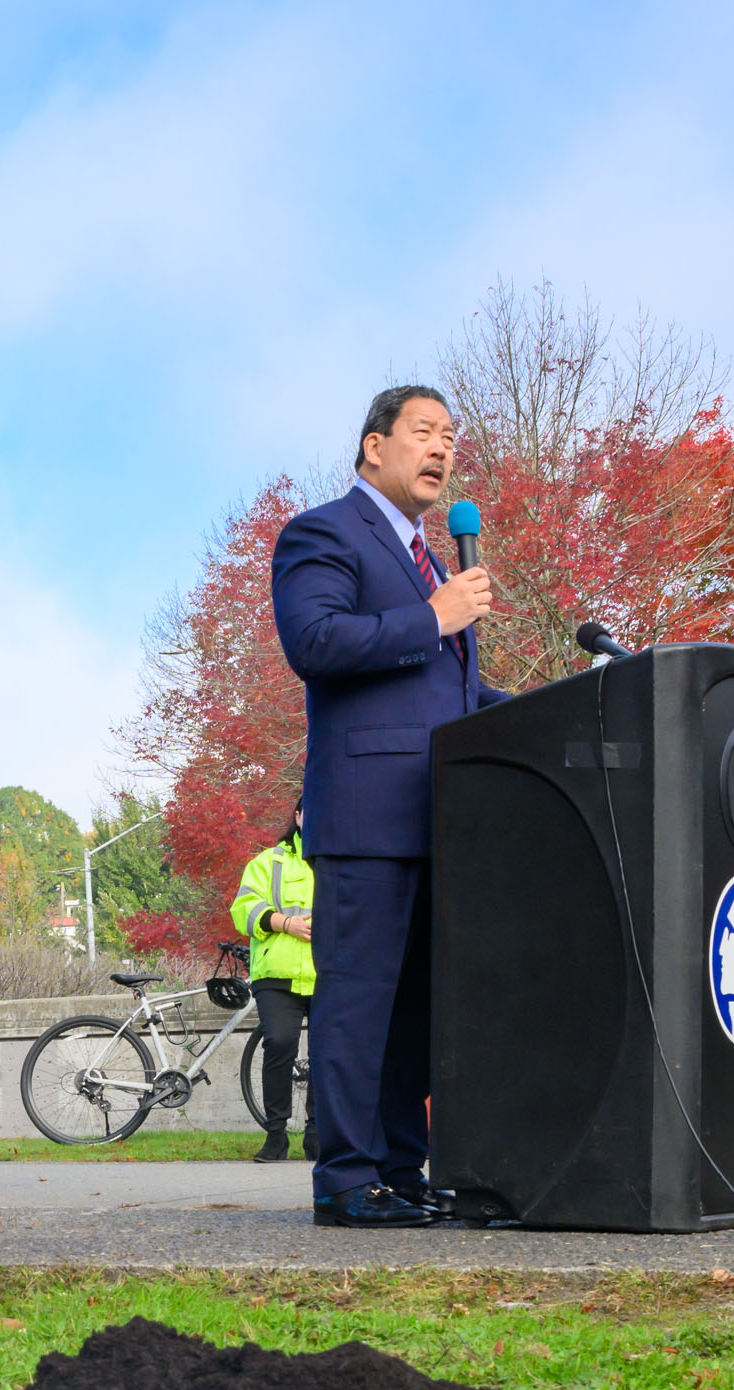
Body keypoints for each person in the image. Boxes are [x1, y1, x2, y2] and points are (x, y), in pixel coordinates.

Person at [271, 385, 506, 1227]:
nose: (442, 448)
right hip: (367, 815)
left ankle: (401, 1170)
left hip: (439, 819)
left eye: (450, 436)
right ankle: (344, 1176)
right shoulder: (325, 532)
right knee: (360, 1000)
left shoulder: (432, 561)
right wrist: (433, 615)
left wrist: (557, 704)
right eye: (424, 432)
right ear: (375, 447)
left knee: (416, 1010)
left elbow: (456, 689)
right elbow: (316, 642)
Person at [228, 818, 316, 1163]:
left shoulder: (337, 861)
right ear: (297, 817)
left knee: (327, 1052)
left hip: (328, 972)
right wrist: (285, 923)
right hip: (276, 974)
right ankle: (276, 1134)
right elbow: (243, 910)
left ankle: (318, 1135)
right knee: (279, 1043)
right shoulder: (267, 863)